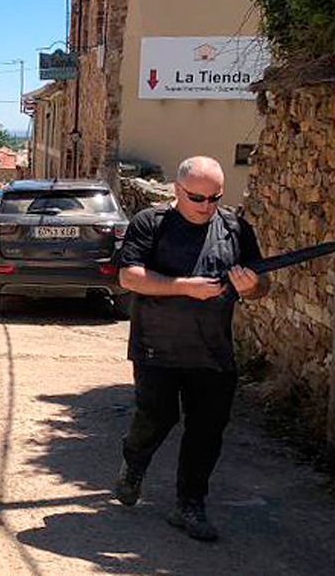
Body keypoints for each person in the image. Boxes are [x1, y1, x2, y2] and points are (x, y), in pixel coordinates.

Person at [113, 155, 269, 541]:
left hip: (214, 353)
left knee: (207, 431)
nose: (206, 207)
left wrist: (252, 287)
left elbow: (261, 283)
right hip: (157, 349)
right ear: (178, 191)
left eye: (214, 198)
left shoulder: (235, 228)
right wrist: (185, 286)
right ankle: (134, 463)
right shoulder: (151, 223)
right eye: (197, 198)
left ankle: (190, 504)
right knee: (156, 419)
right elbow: (129, 276)